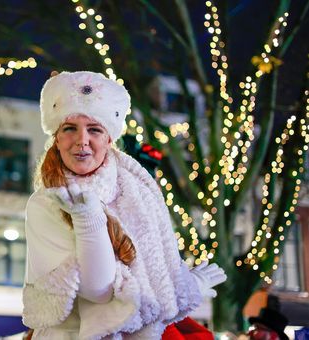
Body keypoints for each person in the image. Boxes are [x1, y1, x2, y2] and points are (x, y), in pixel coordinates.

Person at [22, 71, 227, 339]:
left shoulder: (136, 191)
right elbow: (100, 291)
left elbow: (153, 282)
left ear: (109, 139)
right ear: (57, 139)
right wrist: (89, 218)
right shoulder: (45, 203)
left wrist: (185, 286)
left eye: (94, 129)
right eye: (70, 128)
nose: (82, 140)